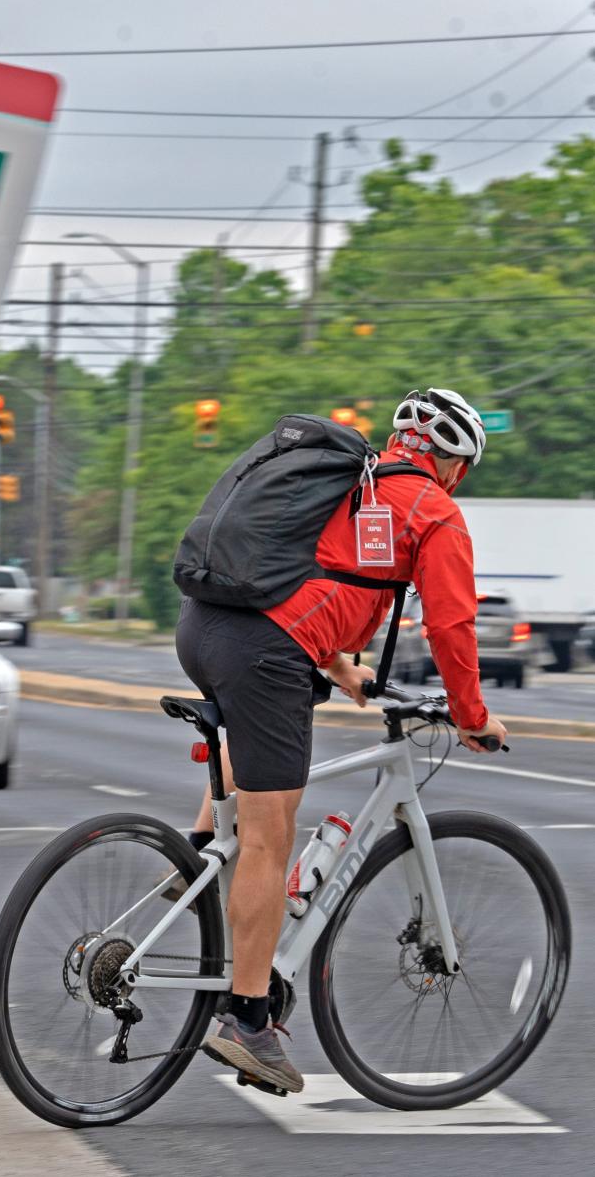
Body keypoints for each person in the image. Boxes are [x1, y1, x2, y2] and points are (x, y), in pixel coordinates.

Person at [177, 388, 507, 1095]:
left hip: (204, 627)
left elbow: (302, 575)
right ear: (457, 468)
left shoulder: (349, 480)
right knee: (273, 838)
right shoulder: (436, 512)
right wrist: (473, 717)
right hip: (264, 651)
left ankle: (194, 858)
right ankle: (248, 1022)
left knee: (256, 754)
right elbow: (451, 627)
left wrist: (340, 669)